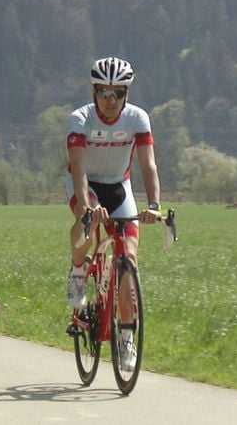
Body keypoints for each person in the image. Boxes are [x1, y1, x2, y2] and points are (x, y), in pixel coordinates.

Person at [64, 56, 161, 371]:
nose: (110, 100)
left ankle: (126, 337)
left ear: (126, 95)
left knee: (128, 261)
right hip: (85, 184)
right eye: (104, 92)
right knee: (86, 224)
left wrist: (154, 206)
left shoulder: (137, 119)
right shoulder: (80, 119)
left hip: (120, 188)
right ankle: (79, 271)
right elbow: (78, 166)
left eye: (117, 93)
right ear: (94, 93)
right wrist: (87, 206)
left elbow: (148, 164)